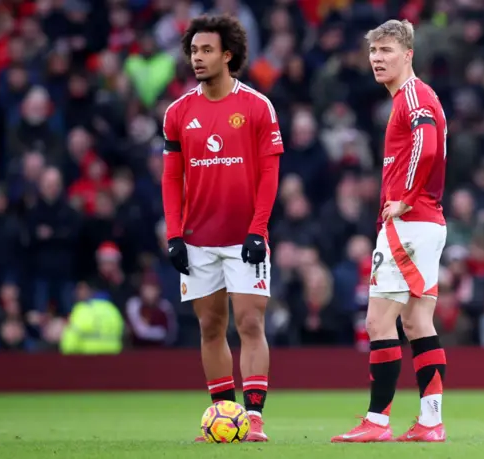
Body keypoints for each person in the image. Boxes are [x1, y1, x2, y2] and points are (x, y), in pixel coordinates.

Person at [161, 14, 283, 442]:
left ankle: (253, 419)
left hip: (244, 237)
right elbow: (171, 178)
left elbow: (270, 174)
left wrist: (258, 229)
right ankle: (219, 414)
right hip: (197, 239)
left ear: (227, 55)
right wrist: (174, 233)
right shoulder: (178, 113)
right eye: (194, 50)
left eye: (206, 50)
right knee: (210, 326)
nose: (198, 57)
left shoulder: (256, 106)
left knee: (250, 323)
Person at [331, 19, 448, 443]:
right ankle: (431, 421)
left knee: (379, 320)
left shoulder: (413, 95)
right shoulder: (414, 96)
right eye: (373, 52)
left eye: (386, 51)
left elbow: (428, 145)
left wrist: (406, 197)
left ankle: (376, 422)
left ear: (408, 54)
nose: (377, 59)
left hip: (409, 223)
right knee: (418, 322)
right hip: (427, 223)